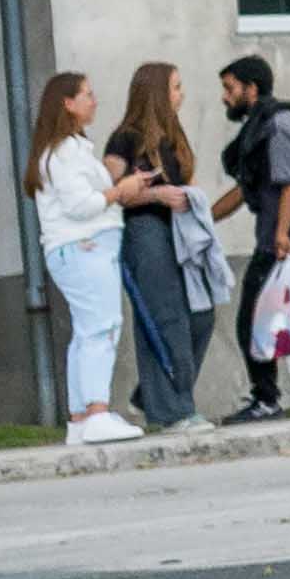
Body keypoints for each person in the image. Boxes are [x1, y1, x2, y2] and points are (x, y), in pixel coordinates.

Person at [27, 68, 139, 445]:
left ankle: (80, 418)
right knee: (102, 327)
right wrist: (120, 190)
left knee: (87, 329)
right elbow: (80, 205)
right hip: (84, 246)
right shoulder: (64, 152)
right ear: (67, 103)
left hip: (79, 248)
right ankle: (97, 412)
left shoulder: (67, 149)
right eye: (87, 94)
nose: (94, 101)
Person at [208, 56, 290, 422]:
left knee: (251, 322)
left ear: (251, 89)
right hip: (275, 238)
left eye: (230, 88)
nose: (225, 97)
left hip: (283, 242)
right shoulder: (258, 131)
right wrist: (204, 219)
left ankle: (267, 400)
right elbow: (245, 190)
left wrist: (282, 235)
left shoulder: (279, 127)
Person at [104, 62, 202, 418]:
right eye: (175, 87)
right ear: (158, 93)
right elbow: (112, 194)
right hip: (144, 232)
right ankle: (175, 411)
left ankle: (151, 394)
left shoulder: (172, 139)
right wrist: (157, 195)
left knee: (201, 315)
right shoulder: (125, 139)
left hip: (179, 234)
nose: (181, 95)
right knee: (166, 318)